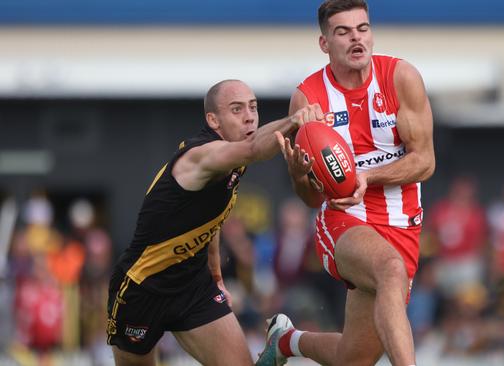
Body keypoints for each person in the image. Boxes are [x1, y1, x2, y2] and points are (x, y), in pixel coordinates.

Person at [257, 1, 435, 365]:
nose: (356, 39)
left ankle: (287, 340)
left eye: (363, 29)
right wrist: (297, 173)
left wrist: (365, 176)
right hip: (343, 220)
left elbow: (425, 161)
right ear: (324, 43)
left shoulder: (400, 77)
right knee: (390, 269)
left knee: (354, 359)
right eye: (343, 32)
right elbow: (310, 198)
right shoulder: (309, 99)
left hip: (402, 224)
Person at [106, 79, 322, 366]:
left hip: (194, 287)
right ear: (213, 120)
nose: (249, 116)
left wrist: (216, 276)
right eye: (236, 109)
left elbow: (210, 220)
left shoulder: (233, 157)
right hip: (143, 287)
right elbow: (252, 148)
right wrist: (295, 121)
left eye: (253, 107)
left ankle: (278, 344)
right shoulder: (202, 154)